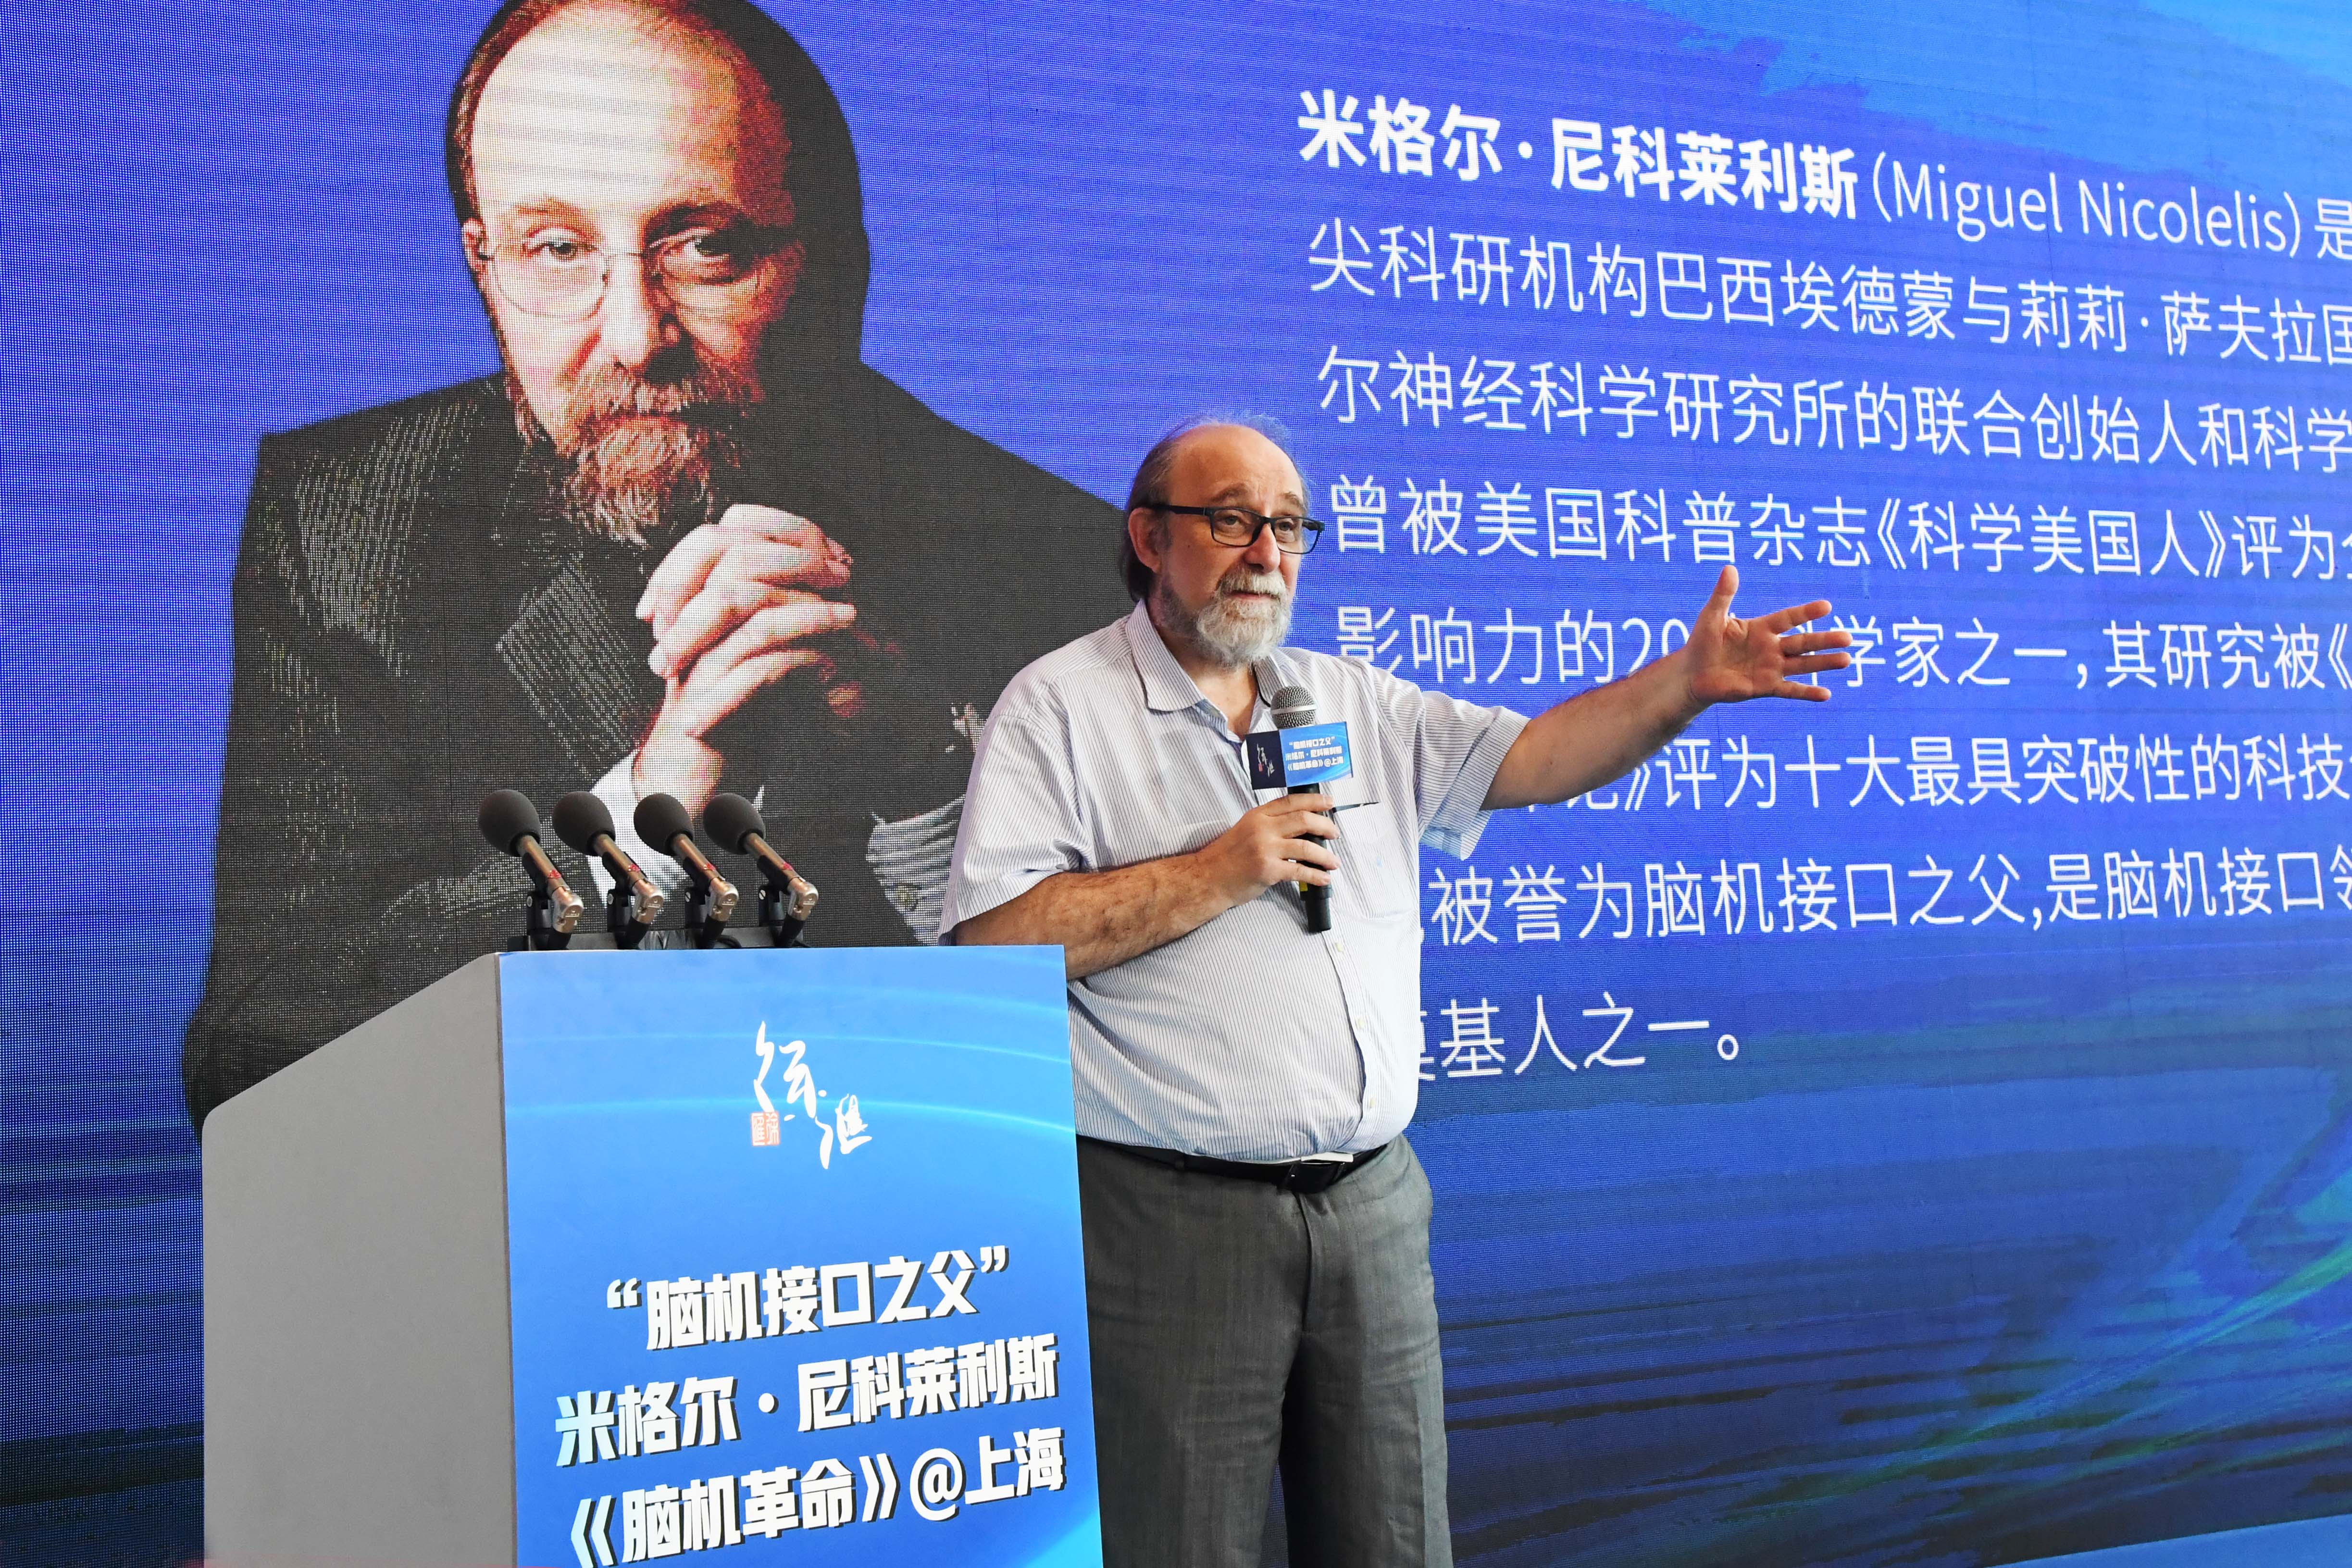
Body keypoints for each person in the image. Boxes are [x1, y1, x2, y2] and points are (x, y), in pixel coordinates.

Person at [181, 0, 1124, 1133]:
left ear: (831, 265)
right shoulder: (345, 527)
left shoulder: (1057, 556)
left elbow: (1162, 1062)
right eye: (556, 248)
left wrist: (931, 781)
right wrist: (639, 822)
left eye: (703, 245)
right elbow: (258, 1064)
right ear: (484, 266)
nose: (633, 335)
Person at [943, 416, 1852, 1565]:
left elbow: (1531, 758)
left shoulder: (1342, 699)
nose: (1264, 551)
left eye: (1287, 526)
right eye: (1230, 519)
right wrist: (1217, 870)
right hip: (1171, 1223)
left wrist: (1681, 687)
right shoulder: (1060, 706)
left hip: (1371, 1208)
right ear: (1148, 536)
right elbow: (994, 941)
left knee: (1394, 1540)